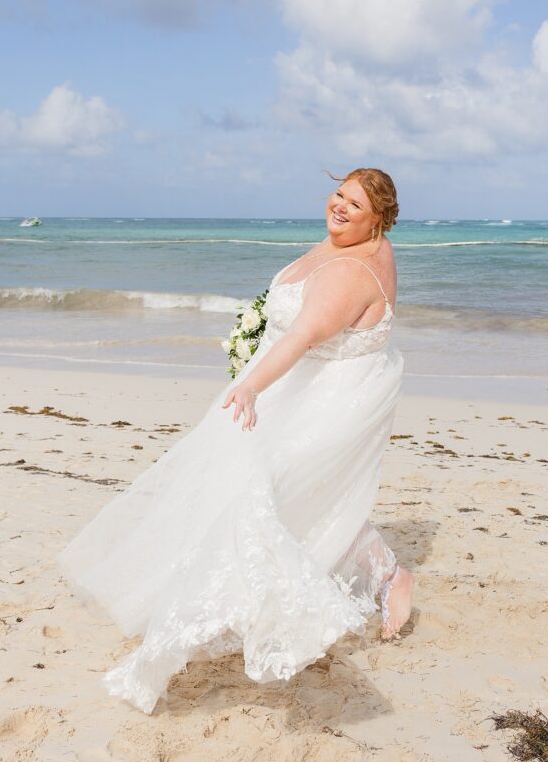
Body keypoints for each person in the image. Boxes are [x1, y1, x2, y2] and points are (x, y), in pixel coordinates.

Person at [57, 167, 415, 715]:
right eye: (339, 195)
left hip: (316, 397)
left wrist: (248, 384)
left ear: (378, 220)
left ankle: (386, 576)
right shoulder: (361, 244)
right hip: (305, 386)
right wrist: (255, 334)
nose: (340, 208)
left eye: (355, 206)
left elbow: (301, 335)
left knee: (265, 489)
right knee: (290, 492)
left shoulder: (349, 270)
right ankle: (386, 572)